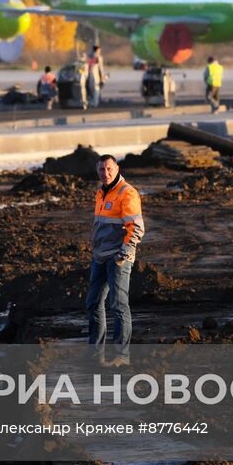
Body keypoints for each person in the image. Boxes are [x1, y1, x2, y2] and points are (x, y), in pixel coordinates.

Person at [87, 154, 142, 367]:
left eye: (109, 169)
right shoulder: (101, 193)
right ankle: (95, 354)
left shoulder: (126, 193)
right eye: (101, 170)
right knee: (93, 303)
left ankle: (122, 356)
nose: (105, 173)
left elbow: (136, 228)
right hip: (100, 257)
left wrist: (123, 254)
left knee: (118, 305)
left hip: (118, 257)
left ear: (117, 168)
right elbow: (101, 224)